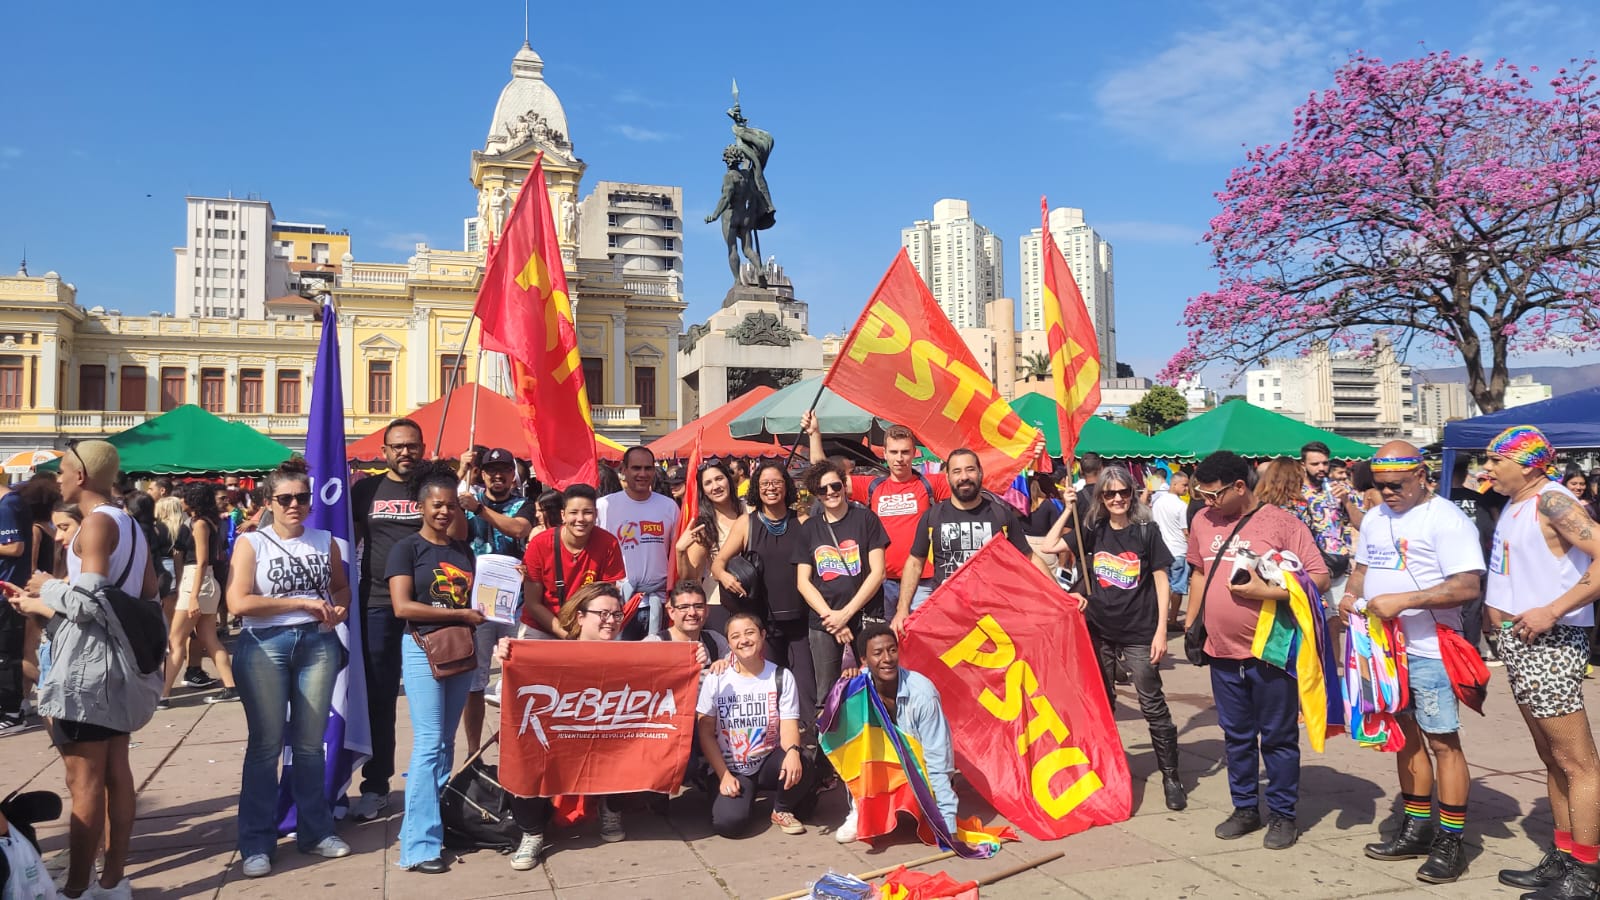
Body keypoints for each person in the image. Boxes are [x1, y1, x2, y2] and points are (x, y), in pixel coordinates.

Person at [8, 441, 161, 900]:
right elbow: (148, 592)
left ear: (82, 475)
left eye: (64, 470)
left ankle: (76, 888)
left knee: (85, 781)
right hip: (119, 664)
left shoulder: (95, 523)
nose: (58, 478)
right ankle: (112, 881)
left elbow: (89, 603)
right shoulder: (129, 522)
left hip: (87, 668)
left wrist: (47, 588)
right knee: (117, 772)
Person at [1338, 443, 1483, 884]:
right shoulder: (1376, 516)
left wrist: (1405, 601)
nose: (1387, 493)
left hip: (1430, 650)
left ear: (1422, 475)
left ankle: (1451, 841)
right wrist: (1350, 594)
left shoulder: (1447, 519)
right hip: (1384, 651)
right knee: (1405, 739)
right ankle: (1417, 828)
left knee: (1443, 743)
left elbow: (1467, 586)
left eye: (1396, 485)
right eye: (1380, 485)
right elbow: (1363, 568)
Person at [1185, 450, 1329, 851]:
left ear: (1238, 487)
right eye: (1201, 494)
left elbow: (1319, 577)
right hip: (1221, 652)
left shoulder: (1282, 523)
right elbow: (1198, 574)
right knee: (1236, 737)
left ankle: (1283, 814)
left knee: (1278, 737)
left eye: (1213, 494)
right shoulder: (1202, 520)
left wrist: (1267, 592)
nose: (1206, 502)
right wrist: (1192, 624)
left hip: (1271, 651)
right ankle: (1245, 808)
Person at [1480, 427, 1600, 898]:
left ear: (1528, 464)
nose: (1487, 468)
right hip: (1522, 643)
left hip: (1551, 642)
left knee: (1577, 762)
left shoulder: (1552, 500)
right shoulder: (1517, 502)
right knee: (1551, 758)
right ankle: (1565, 855)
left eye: (1496, 460)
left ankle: (1586, 873)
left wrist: (1553, 610)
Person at [226, 458, 353, 878]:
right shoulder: (252, 543)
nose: (295, 505)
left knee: (310, 745)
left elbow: (340, 587)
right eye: (285, 499)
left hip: (317, 643)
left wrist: (338, 608)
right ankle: (256, 842)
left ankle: (315, 831)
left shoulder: (324, 541)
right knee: (265, 745)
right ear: (268, 502)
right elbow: (238, 602)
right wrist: (299, 603)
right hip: (265, 644)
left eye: (302, 497)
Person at [1053, 465, 1184, 812]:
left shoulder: (1146, 531)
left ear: (1132, 494)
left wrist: (1161, 631)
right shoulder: (1093, 529)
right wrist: (1067, 508)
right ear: (1101, 497)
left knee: (1151, 703)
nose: (1117, 499)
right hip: (1099, 630)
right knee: (1103, 704)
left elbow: (1161, 581)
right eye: (1109, 493)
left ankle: (1171, 777)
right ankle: (1108, 770)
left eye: (1123, 492)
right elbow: (1050, 546)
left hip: (1139, 631)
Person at [387, 461, 483, 875]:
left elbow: (474, 598)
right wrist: (461, 615)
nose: (444, 512)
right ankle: (418, 846)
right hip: (422, 648)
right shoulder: (406, 548)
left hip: (460, 649)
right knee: (428, 744)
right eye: (437, 505)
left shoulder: (462, 550)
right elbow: (402, 606)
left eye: (450, 506)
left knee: (445, 744)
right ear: (421, 507)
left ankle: (433, 827)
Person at [496, 582, 630, 870]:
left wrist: (696, 657)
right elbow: (506, 695)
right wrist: (508, 657)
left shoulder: (632, 656)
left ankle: (611, 808)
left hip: (604, 742)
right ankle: (532, 833)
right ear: (580, 617)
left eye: (616, 614)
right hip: (558, 743)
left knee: (635, 740)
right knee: (523, 750)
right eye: (603, 614)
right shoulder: (549, 654)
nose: (610, 620)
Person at [349, 418, 427, 822]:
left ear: (423, 449)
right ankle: (376, 786)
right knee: (379, 699)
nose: (405, 452)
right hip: (377, 605)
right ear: (384, 452)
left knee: (430, 699)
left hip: (428, 607)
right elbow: (348, 542)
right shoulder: (366, 490)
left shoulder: (434, 487)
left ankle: (432, 783)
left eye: (412, 445)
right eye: (397, 446)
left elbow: (458, 534)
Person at [805, 416, 950, 621]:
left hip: (923, 581)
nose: (899, 458)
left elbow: (968, 482)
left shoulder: (931, 483)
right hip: (882, 581)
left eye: (905, 452)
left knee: (920, 637)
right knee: (885, 639)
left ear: (914, 453)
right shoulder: (872, 485)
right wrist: (814, 434)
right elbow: (824, 475)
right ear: (885, 454)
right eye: (894, 452)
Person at [895, 449, 1050, 636]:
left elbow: (1030, 558)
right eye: (957, 471)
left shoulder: (1001, 514)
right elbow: (914, 563)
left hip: (995, 619)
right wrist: (902, 609)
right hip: (947, 618)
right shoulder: (933, 517)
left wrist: (1061, 594)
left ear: (980, 473)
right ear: (947, 477)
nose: (964, 477)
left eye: (970, 469)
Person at [835, 623, 957, 843]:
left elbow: (939, 759)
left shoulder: (923, 694)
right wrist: (843, 688)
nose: (887, 659)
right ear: (864, 660)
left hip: (918, 770)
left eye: (892, 650)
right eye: (878, 653)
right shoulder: (857, 688)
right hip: (881, 766)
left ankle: (923, 807)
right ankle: (859, 809)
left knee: (924, 811)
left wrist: (947, 823)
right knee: (853, 740)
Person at [712, 461, 814, 719]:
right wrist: (725, 577)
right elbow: (718, 563)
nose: (771, 488)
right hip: (762, 623)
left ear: (786, 486)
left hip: (801, 620)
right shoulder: (746, 523)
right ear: (756, 488)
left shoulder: (803, 522)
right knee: (769, 688)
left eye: (777, 482)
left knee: (806, 689)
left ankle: (807, 738)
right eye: (765, 483)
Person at [697, 611, 813, 837]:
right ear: (729, 643)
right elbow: (706, 732)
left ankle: (781, 809)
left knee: (804, 759)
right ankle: (738, 796)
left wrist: (792, 752)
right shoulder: (716, 678)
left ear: (762, 635)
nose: (744, 640)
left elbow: (789, 724)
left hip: (768, 760)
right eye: (735, 636)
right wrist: (723, 775)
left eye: (749, 633)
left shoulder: (781, 676)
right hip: (731, 767)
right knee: (729, 824)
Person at [456, 447, 536, 757]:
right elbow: (448, 524)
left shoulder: (522, 504)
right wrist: (460, 474)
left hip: (514, 605)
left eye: (504, 469)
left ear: (513, 474)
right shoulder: (466, 498)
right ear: (483, 473)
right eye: (491, 470)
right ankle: (473, 752)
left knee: (517, 679)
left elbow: (519, 528)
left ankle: (516, 751)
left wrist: (479, 509)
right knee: (474, 682)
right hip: (477, 605)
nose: (497, 475)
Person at [794, 461, 889, 709]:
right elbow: (803, 582)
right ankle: (829, 734)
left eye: (835, 486)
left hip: (865, 615)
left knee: (877, 684)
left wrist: (845, 615)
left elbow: (878, 572)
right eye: (822, 489)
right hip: (825, 622)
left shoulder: (866, 519)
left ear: (844, 485)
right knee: (828, 692)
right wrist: (832, 619)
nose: (830, 492)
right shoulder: (810, 528)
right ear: (816, 495)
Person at [158, 482, 239, 708]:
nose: (181, 501)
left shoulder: (200, 523)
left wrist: (192, 596)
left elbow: (202, 561)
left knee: (176, 641)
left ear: (192, 500)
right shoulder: (206, 522)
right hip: (203, 582)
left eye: (185, 497)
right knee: (209, 638)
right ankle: (231, 686)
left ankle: (162, 695)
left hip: (197, 580)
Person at [521, 484, 627, 639]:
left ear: (596, 514)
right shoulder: (539, 544)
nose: (580, 519)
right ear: (563, 515)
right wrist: (567, 636)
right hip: (541, 625)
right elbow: (533, 603)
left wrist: (581, 636)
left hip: (586, 628)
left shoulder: (608, 544)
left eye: (587, 512)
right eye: (574, 512)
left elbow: (606, 598)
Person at [597, 447, 679, 639]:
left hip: (658, 602)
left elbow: (677, 555)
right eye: (636, 468)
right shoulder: (604, 506)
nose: (642, 474)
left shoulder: (669, 506)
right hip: (618, 605)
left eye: (648, 468)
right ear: (623, 470)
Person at [673, 462, 744, 635]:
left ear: (729, 480)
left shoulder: (749, 510)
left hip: (754, 597)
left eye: (719, 479)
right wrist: (680, 551)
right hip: (719, 602)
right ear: (703, 490)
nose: (715, 486)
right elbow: (690, 577)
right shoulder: (704, 525)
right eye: (708, 483)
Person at [0, 472, 34, 734]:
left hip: (7, 591)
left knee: (6, 654)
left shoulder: (7, 505)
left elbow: (15, 547)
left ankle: (12, 713)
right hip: (9, 589)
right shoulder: (13, 502)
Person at [1152, 471, 1192, 631]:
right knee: (1177, 587)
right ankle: (1172, 619)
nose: (1186, 488)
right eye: (1184, 485)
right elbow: (1186, 531)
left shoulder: (1158, 502)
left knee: (1162, 586)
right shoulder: (1181, 506)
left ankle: (1160, 618)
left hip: (1161, 550)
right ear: (1174, 484)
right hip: (1178, 550)